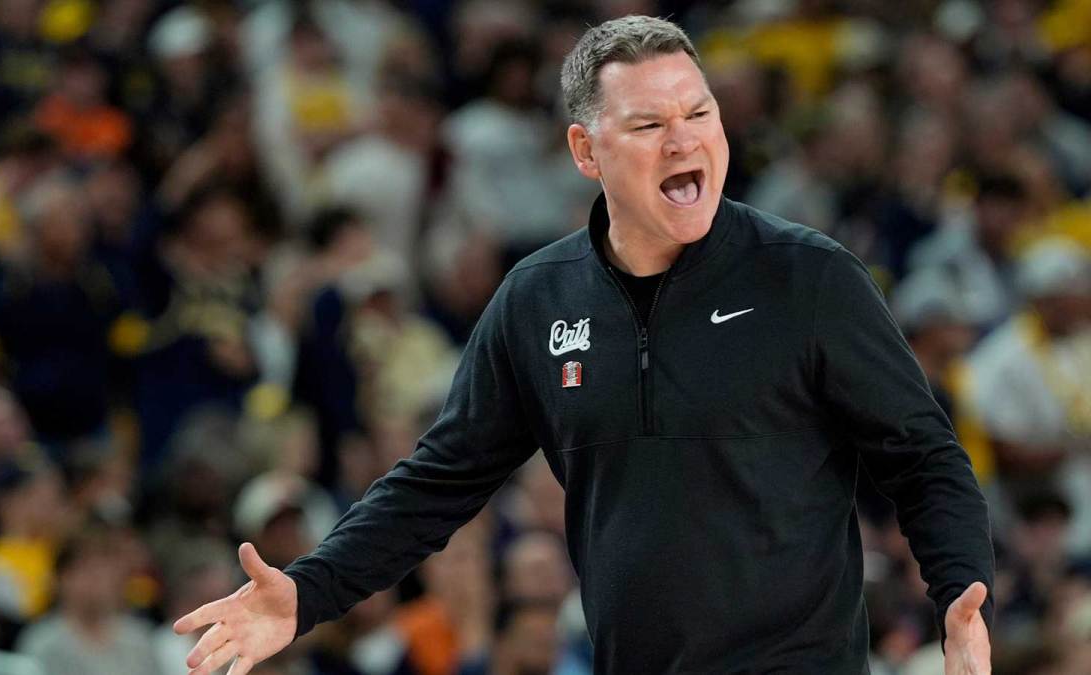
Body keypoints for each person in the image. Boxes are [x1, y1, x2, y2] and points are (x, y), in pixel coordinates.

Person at [175, 15, 994, 674]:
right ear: (586, 152)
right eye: (648, 124)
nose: (685, 141)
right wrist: (307, 591)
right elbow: (438, 481)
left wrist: (962, 597)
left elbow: (923, 455)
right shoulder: (537, 298)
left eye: (699, 113)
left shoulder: (807, 277)